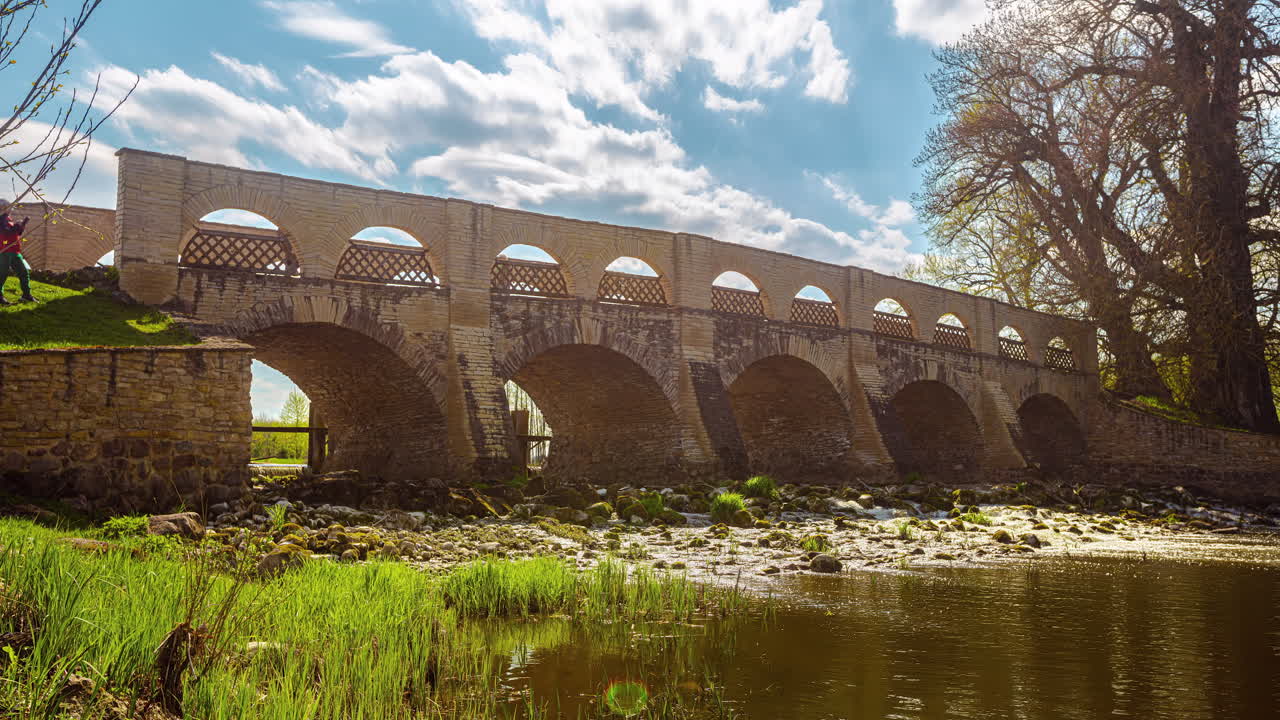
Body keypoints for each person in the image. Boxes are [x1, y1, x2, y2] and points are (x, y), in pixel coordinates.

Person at [0, 199, 34, 305]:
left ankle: (26, 295)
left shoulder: (8, 219)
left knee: (23, 272)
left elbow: (15, 233)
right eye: (9, 207)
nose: (11, 209)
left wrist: (21, 226)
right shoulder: (1, 219)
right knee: (2, 274)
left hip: (14, 250)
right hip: (4, 250)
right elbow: (5, 231)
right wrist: (15, 227)